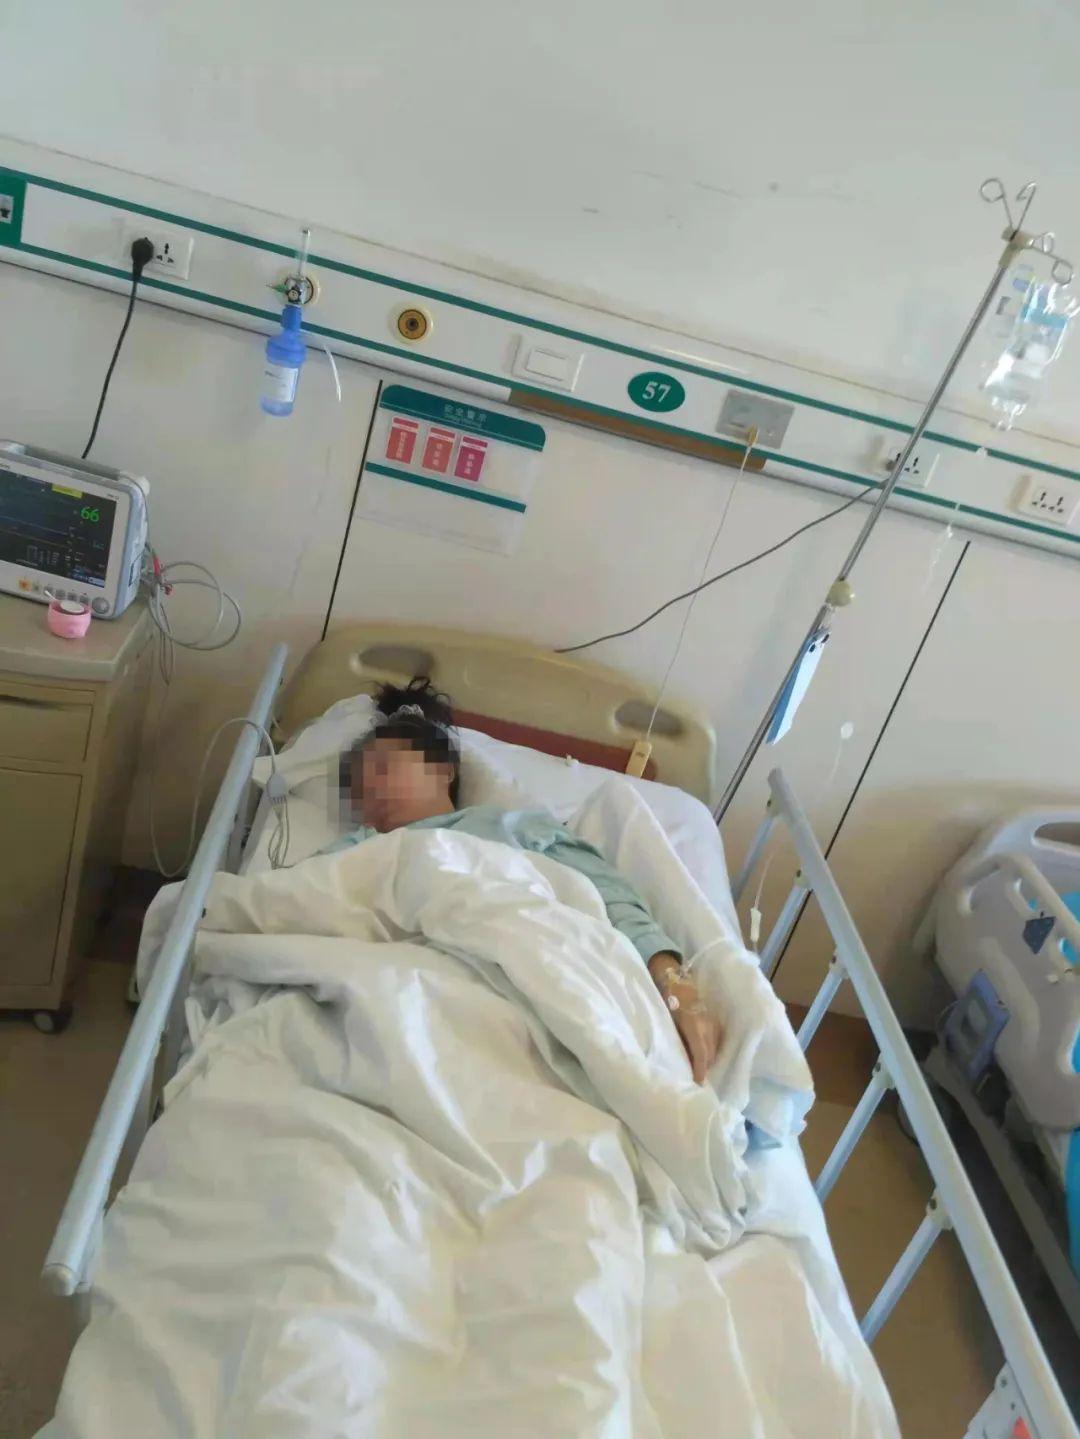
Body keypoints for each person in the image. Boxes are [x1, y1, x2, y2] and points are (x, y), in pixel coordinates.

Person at [331, 676, 722, 1083]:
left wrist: (674, 983)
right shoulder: (355, 852)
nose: (370, 789)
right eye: (359, 789)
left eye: (382, 769)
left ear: (442, 770)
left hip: (530, 980)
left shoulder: (512, 826)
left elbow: (606, 896)